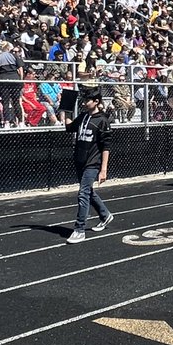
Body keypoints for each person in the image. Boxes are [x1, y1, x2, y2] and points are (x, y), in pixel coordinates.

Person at [65, 88, 115, 243]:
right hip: (80, 160)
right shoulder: (83, 117)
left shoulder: (102, 121)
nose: (85, 103)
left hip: (93, 163)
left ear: (96, 102)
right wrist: (65, 109)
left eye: (88, 100)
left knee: (83, 193)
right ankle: (105, 215)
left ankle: (79, 229)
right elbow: (69, 127)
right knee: (88, 192)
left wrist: (103, 169)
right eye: (84, 100)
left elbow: (106, 146)